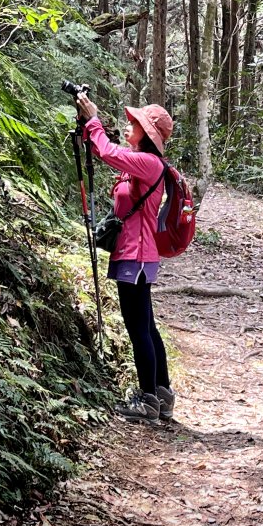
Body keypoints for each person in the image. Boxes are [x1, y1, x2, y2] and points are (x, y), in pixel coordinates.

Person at [76, 93, 176, 425]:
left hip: (135, 255)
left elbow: (107, 151)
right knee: (147, 326)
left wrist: (94, 120)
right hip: (137, 255)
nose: (129, 126)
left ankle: (147, 400)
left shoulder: (149, 163)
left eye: (134, 124)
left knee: (138, 329)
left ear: (148, 134)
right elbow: (105, 152)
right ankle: (162, 394)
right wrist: (88, 126)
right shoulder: (141, 161)